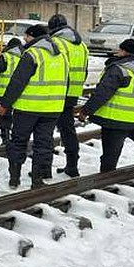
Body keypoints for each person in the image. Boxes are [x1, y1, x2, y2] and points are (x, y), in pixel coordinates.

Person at [75, 39, 134, 187]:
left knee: (111, 154)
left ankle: (105, 182)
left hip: (117, 120)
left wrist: (85, 111)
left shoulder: (119, 69)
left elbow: (102, 93)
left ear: (124, 51)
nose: (117, 52)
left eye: (119, 49)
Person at [0, 24, 68, 188]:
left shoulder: (32, 54)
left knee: (18, 142)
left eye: (26, 36)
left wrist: (5, 105)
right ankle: (37, 180)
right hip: (52, 109)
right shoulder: (61, 55)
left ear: (33, 37)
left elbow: (17, 82)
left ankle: (14, 179)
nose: (24, 39)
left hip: (27, 109)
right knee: (43, 144)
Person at [48, 14, 89, 177]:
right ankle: (72, 166)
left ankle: (44, 169)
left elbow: (53, 68)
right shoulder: (82, 46)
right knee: (68, 130)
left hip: (57, 92)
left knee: (45, 130)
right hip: (73, 93)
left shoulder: (57, 43)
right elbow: (84, 71)